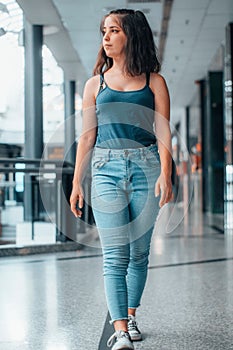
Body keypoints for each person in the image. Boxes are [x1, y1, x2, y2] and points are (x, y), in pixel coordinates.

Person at [70, 8, 173, 350]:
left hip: (147, 168)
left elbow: (162, 132)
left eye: (114, 30)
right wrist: (76, 182)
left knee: (139, 253)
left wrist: (167, 174)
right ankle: (121, 332)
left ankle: (129, 315)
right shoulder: (93, 84)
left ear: (132, 35)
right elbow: (87, 137)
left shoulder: (153, 81)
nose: (107, 36)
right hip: (104, 171)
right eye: (105, 30)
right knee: (115, 254)